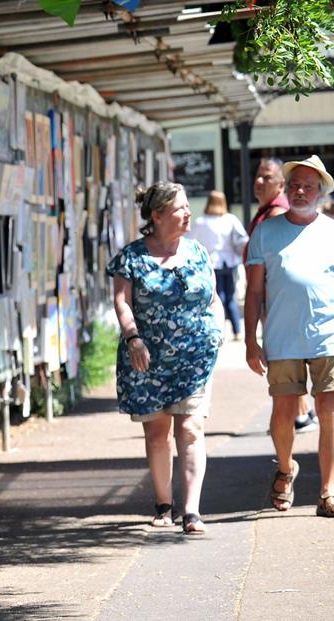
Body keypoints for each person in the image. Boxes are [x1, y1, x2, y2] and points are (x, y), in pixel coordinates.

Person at [244, 155, 334, 518]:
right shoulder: (266, 232)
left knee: (328, 406)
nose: (300, 191)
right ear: (287, 188)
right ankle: (285, 468)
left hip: (330, 334)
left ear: (321, 192)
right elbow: (254, 293)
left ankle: (328, 492)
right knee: (283, 410)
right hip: (282, 336)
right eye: (295, 185)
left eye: (308, 186)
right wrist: (252, 341)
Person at [108, 182, 222, 535]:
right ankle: (163, 504)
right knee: (158, 433)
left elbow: (213, 296)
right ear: (156, 215)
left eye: (188, 206)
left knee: (190, 427)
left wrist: (216, 332)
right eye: (179, 208)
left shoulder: (199, 251)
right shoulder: (131, 257)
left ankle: (192, 511)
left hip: (195, 356)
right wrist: (133, 337)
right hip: (147, 356)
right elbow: (122, 301)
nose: (188, 213)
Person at [247, 158, 318, 433]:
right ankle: (301, 413)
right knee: (287, 358)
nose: (259, 181)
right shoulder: (268, 212)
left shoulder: (276, 214)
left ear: (280, 185)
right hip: (270, 298)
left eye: (266, 177)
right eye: (258, 175)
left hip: (273, 299)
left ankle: (298, 416)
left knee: (286, 358)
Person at [190, 190, 248, 340]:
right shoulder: (230, 219)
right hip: (229, 261)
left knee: (217, 297)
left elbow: (190, 241)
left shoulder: (201, 222)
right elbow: (243, 238)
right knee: (230, 297)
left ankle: (219, 329)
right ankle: (237, 330)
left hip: (211, 263)